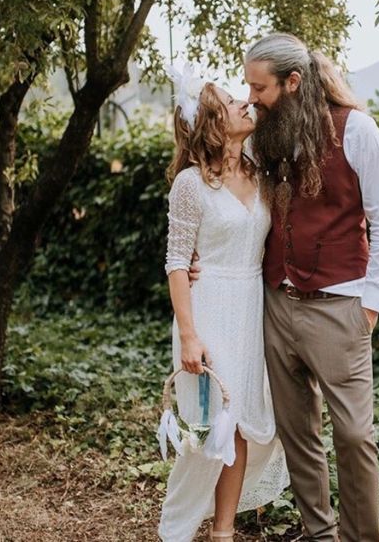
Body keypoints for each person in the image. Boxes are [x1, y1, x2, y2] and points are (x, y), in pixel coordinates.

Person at [244, 33, 379, 542]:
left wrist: (371, 304)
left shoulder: (356, 129)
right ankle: (319, 533)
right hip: (277, 302)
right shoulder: (264, 135)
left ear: (293, 83)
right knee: (298, 431)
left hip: (340, 305)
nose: (251, 97)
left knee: (355, 435)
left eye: (259, 87)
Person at [157, 64, 289, 542]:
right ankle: (180, 526)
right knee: (213, 431)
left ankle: (223, 532)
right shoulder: (190, 185)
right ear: (214, 123)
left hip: (252, 308)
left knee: (244, 427)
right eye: (233, 102)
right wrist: (190, 335)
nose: (245, 104)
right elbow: (176, 262)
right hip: (209, 306)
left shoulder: (259, 170)